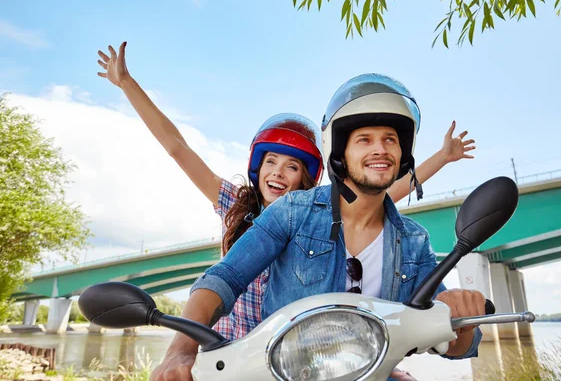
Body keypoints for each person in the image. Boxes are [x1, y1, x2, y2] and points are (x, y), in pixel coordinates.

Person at [96, 42, 477, 345]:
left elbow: (387, 186)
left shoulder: (320, 213)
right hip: (230, 346)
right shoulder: (238, 204)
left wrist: (440, 158)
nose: (279, 173)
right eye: (271, 162)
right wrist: (128, 83)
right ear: (256, 167)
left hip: (306, 354)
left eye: (292, 166)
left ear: (308, 177)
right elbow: (178, 147)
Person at [149, 73, 485, 380]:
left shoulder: (413, 241)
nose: (380, 149)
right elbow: (225, 277)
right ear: (340, 152)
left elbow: (453, 342)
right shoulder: (292, 212)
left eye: (391, 140)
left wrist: (460, 318)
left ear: (403, 153)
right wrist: (181, 349)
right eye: (364, 140)